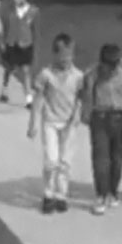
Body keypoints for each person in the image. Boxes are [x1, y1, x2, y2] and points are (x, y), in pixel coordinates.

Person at [28, 34, 84, 214]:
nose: (66, 59)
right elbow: (38, 99)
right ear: (54, 54)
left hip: (69, 124)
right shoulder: (46, 74)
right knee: (51, 161)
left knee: (65, 162)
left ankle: (62, 195)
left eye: (69, 55)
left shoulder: (78, 76)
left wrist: (77, 116)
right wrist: (33, 123)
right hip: (51, 122)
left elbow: (80, 99)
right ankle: (48, 193)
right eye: (63, 56)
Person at [82, 43, 122, 215]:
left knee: (117, 157)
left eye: (115, 65)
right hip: (99, 117)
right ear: (102, 62)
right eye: (108, 65)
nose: (112, 69)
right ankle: (100, 194)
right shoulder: (93, 74)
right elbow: (87, 93)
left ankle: (113, 192)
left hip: (119, 118)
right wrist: (86, 113)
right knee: (100, 158)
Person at [0, 0, 39, 108]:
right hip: (11, 43)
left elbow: (35, 30)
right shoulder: (9, 10)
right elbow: (4, 26)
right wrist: (2, 42)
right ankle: (4, 88)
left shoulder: (33, 11)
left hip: (26, 44)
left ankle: (28, 99)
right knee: (9, 68)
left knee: (26, 70)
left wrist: (34, 44)